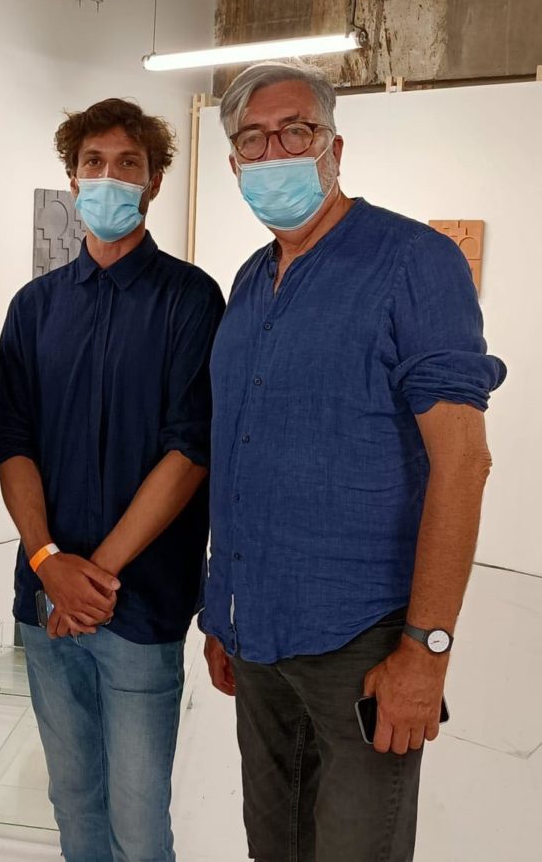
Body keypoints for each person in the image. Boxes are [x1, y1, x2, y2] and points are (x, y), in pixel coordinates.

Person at [201, 61, 506, 862]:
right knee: (274, 845)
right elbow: (240, 451)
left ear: (334, 147)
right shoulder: (250, 281)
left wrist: (426, 652)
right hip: (257, 640)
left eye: (295, 130)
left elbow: (463, 464)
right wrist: (223, 610)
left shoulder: (414, 262)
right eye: (253, 140)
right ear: (234, 165)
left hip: (363, 646)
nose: (275, 152)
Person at [0, 98, 225, 862]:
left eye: (129, 163)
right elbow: (12, 445)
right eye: (94, 162)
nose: (110, 176)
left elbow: (190, 450)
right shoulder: (33, 309)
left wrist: (92, 580)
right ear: (72, 176)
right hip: (45, 602)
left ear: (154, 181)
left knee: (139, 820)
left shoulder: (191, 299)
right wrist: (49, 562)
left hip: (140, 605)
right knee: (72, 801)